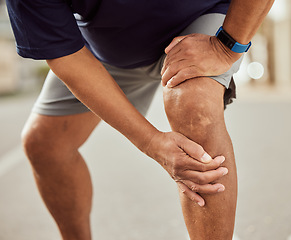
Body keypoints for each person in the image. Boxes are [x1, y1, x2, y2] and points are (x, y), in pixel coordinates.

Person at [6, 0, 274, 239]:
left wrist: (226, 47)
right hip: (110, 49)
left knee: (194, 108)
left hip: (204, 21)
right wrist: (150, 141)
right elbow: (64, 55)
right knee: (44, 145)